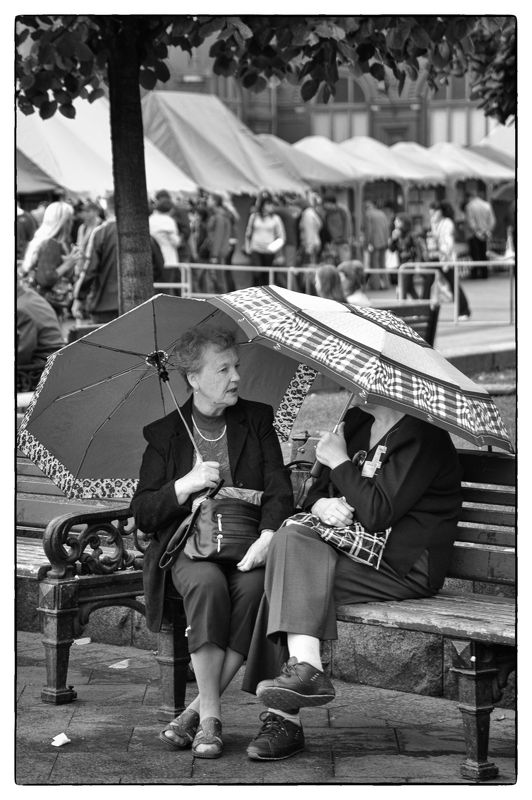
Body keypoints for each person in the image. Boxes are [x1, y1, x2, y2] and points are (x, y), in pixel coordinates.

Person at [242, 392, 462, 760]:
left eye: (360, 379)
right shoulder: (356, 424)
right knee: (290, 545)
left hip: (403, 565)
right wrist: (322, 504)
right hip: (349, 549)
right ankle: (304, 672)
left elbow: (377, 512)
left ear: (388, 383)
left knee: (284, 577)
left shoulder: (423, 438)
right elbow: (312, 493)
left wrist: (340, 460)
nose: (352, 385)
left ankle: (284, 717)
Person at [130, 327, 294, 760]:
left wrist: (267, 536)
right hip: (188, 550)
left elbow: (278, 489)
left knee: (257, 590)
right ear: (194, 379)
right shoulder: (164, 434)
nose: (236, 376)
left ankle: (196, 714)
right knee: (207, 586)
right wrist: (184, 484)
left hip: (246, 545)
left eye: (236, 365)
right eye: (223, 368)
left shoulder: (256, 419)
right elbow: (144, 513)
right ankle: (211, 719)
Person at [74, 194, 164, 323]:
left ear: (107, 209)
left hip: (104, 305)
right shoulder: (142, 231)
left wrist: (79, 298)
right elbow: (159, 265)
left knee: (105, 342)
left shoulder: (100, 233)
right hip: (138, 304)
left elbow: (89, 269)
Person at [20, 200, 77, 319]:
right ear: (63, 222)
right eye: (70, 220)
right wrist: (67, 264)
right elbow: (45, 278)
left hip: (34, 303)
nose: (72, 223)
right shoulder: (51, 243)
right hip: (46, 306)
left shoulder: (41, 240)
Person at [430, 201, 471, 320]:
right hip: (435, 257)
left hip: (445, 258)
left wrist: (443, 251)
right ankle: (423, 309)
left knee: (453, 283)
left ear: (441, 212)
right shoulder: (434, 222)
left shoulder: (447, 223)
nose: (433, 213)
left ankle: (464, 310)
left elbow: (448, 241)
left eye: (435, 211)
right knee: (428, 280)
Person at [244, 194, 286, 286]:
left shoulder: (275, 219)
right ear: (262, 205)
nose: (270, 206)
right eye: (268, 204)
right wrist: (248, 248)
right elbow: (248, 233)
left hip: (269, 252)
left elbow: (281, 236)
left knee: (267, 276)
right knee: (257, 274)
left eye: (271, 204)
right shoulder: (254, 217)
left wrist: (273, 248)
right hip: (255, 249)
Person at [149, 189, 181, 295]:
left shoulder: (150, 219)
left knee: (156, 288)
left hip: (154, 259)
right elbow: (176, 242)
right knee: (167, 289)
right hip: (169, 258)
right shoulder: (169, 221)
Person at [388, 213, 426, 300]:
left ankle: (400, 308)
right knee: (409, 288)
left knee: (402, 288)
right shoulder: (396, 234)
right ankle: (420, 307)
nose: (395, 222)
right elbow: (391, 249)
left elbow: (417, 250)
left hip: (409, 264)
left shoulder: (411, 234)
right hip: (401, 264)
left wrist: (417, 264)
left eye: (397, 221)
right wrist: (393, 239)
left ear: (403, 222)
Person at [464, 188, 496, 279]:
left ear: (469, 197)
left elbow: (471, 222)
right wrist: (487, 230)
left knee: (475, 255)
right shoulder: (487, 205)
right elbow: (492, 221)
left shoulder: (469, 206)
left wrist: (477, 230)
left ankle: (475, 273)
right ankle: (484, 273)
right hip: (485, 233)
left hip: (474, 234)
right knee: (483, 253)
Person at [362, 200, 390, 290]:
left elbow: (368, 230)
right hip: (383, 241)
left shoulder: (368, 214)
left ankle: (376, 285)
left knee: (374, 264)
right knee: (383, 264)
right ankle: (386, 284)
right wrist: (386, 240)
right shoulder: (381, 213)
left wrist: (367, 243)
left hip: (374, 242)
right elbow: (387, 227)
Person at [299, 194, 323, 292]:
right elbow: (319, 224)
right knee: (312, 267)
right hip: (315, 242)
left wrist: (308, 246)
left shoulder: (307, 214)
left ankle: (310, 290)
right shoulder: (312, 212)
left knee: (309, 268)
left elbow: (308, 230)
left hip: (310, 244)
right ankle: (312, 289)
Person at [320, 194, 352, 266]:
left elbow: (347, 226)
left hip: (343, 242)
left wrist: (344, 239)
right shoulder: (327, 213)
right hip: (333, 243)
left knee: (344, 263)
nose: (324, 206)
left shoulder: (342, 211)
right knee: (331, 263)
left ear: (331, 203)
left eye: (325, 203)